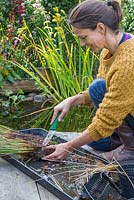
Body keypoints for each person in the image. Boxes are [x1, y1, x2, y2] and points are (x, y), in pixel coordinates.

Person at [42, 0, 134, 162]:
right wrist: (72, 100)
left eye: (83, 37)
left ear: (100, 28)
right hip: (126, 114)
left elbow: (107, 117)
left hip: (125, 114)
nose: (82, 44)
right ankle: (122, 142)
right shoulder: (108, 52)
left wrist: (68, 146)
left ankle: (131, 149)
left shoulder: (128, 61)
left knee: (97, 128)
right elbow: (103, 92)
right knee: (98, 142)